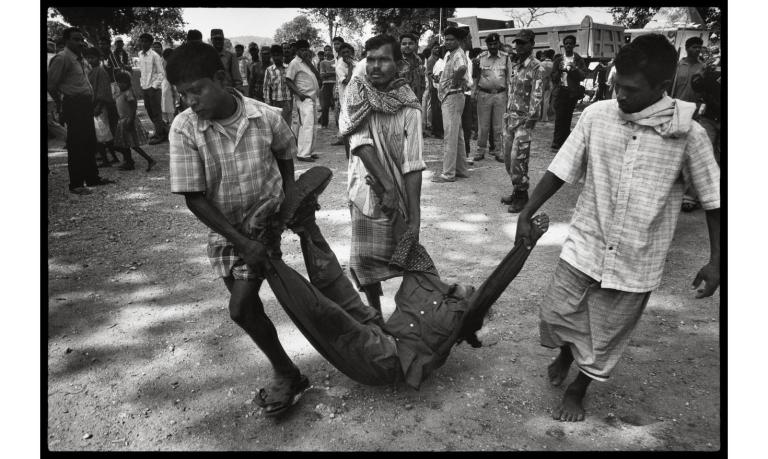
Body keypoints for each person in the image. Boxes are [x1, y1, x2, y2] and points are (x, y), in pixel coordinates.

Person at [514, 34, 720, 422]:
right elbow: (562, 168)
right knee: (557, 314)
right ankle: (566, 353)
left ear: (661, 86)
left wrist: (716, 261)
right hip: (586, 243)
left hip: (636, 258)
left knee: (605, 332)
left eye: (631, 89)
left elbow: (713, 200)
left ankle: (578, 389)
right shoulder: (597, 116)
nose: (620, 95)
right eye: (617, 86)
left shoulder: (689, 136)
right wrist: (527, 211)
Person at [167, 41, 314, 417]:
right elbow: (194, 198)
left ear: (220, 78)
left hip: (264, 224)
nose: (190, 101)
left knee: (239, 308)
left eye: (197, 90)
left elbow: (285, 157)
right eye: (183, 94)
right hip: (224, 231)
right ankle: (289, 373)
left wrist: (287, 206)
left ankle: (286, 372)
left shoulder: (265, 117)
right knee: (249, 310)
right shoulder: (185, 128)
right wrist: (240, 242)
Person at [337, 34, 425, 314]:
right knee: (363, 264)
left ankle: (411, 316)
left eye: (384, 60)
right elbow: (360, 143)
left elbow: (413, 163)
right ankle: (375, 313)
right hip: (365, 194)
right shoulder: (356, 93)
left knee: (411, 262)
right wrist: (386, 188)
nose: (375, 66)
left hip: (398, 198)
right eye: (371, 59)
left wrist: (415, 218)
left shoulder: (409, 106)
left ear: (399, 64)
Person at [47, 27, 115, 194]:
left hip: (85, 104)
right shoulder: (62, 58)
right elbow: (51, 84)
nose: (80, 42)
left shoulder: (80, 58)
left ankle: (92, 178)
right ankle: (76, 184)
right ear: (66, 41)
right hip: (73, 104)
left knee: (89, 142)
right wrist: (61, 103)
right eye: (75, 39)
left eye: (81, 39)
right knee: (76, 144)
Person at [499, 29, 543, 213]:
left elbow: (537, 95)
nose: (518, 46)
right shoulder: (516, 65)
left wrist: (530, 120)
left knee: (519, 160)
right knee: (508, 160)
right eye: (517, 42)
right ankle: (516, 190)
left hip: (523, 121)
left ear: (532, 44)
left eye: (523, 43)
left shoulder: (536, 67)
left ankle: (522, 196)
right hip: (510, 118)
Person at [432, 27, 471, 183]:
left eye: (451, 39)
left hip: (453, 97)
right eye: (446, 39)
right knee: (457, 135)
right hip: (453, 97)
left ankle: (448, 174)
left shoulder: (458, 54)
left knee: (450, 136)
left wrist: (454, 82)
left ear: (458, 41)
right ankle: (461, 170)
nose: (447, 42)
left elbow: (462, 68)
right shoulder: (454, 54)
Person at [472, 33, 508, 162]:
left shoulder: (506, 58)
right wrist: (474, 92)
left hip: (500, 95)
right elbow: (475, 77)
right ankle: (480, 151)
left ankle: (499, 151)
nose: (492, 46)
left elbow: (509, 77)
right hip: (484, 95)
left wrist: (509, 95)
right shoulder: (480, 58)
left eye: (495, 43)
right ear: (486, 45)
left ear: (499, 44)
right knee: (483, 126)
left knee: (499, 126)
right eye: (490, 44)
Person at [84, 47, 120, 167]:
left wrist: (99, 106)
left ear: (98, 58)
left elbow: (103, 91)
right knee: (103, 134)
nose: (90, 60)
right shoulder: (92, 71)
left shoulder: (100, 71)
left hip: (100, 106)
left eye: (92, 57)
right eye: (88, 58)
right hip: (95, 105)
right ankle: (113, 157)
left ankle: (106, 160)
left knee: (101, 135)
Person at [286, 39, 321, 162]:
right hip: (304, 98)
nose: (304, 52)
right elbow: (288, 80)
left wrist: (309, 63)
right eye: (302, 50)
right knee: (307, 125)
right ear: (297, 51)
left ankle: (310, 151)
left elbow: (317, 76)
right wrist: (299, 94)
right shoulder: (294, 63)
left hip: (312, 98)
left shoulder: (307, 62)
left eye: (306, 49)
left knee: (313, 125)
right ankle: (303, 154)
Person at [113, 72, 156, 172]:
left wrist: (131, 120)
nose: (120, 84)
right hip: (123, 120)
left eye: (122, 82)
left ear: (127, 83)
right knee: (125, 144)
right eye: (119, 82)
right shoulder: (121, 93)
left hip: (128, 120)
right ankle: (129, 162)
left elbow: (133, 107)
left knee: (132, 144)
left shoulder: (128, 93)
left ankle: (148, 160)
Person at [550, 35, 587, 151]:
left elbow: (582, 76)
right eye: (566, 43)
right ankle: (556, 143)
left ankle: (565, 142)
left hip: (572, 93)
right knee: (559, 118)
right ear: (563, 45)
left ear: (574, 45)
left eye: (571, 43)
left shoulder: (579, 60)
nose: (568, 45)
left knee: (568, 118)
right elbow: (553, 78)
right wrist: (559, 70)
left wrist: (574, 69)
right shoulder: (558, 60)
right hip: (561, 91)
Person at [137, 32, 168, 145]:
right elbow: (142, 72)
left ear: (150, 43)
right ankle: (163, 130)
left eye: (146, 41)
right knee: (149, 111)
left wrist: (154, 86)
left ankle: (160, 135)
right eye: (142, 41)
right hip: (145, 87)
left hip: (154, 88)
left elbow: (161, 73)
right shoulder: (140, 54)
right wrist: (142, 85)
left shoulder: (155, 56)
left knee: (156, 113)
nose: (143, 43)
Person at [333, 39, 355, 148]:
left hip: (356, 96)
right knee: (346, 120)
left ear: (352, 52)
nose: (346, 54)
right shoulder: (339, 66)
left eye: (348, 52)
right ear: (341, 54)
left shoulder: (356, 62)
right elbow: (346, 81)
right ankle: (345, 141)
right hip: (345, 97)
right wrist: (350, 68)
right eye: (344, 52)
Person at [263, 44, 292, 126]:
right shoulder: (269, 70)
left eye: (278, 55)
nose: (276, 58)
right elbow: (266, 88)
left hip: (287, 101)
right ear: (271, 56)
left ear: (282, 55)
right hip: (275, 102)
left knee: (287, 124)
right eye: (274, 56)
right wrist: (267, 103)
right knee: (277, 125)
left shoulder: (288, 68)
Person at [671, 37, 705, 103]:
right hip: (677, 103)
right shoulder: (678, 66)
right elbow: (670, 86)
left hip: (694, 105)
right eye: (694, 47)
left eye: (699, 47)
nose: (698, 49)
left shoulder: (703, 67)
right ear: (687, 49)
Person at [397, 33, 426, 107]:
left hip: (417, 101)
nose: (407, 46)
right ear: (400, 45)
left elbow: (422, 81)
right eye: (404, 44)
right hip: (401, 103)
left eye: (410, 43)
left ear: (415, 45)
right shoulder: (396, 61)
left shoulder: (419, 60)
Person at [426, 44, 443, 139]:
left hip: (438, 87)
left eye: (438, 48)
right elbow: (429, 73)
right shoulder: (431, 59)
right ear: (431, 49)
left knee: (438, 109)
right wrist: (435, 79)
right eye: (435, 48)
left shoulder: (438, 59)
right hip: (433, 87)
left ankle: (438, 130)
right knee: (435, 109)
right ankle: (436, 131)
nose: (437, 49)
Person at [318, 44, 336, 128]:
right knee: (325, 105)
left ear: (332, 51)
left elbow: (339, 73)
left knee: (337, 105)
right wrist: (334, 73)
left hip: (335, 84)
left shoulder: (336, 61)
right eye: (326, 50)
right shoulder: (322, 62)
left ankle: (339, 123)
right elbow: (322, 75)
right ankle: (324, 124)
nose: (327, 51)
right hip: (326, 85)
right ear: (324, 52)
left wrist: (327, 73)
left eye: (329, 50)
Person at [161, 48, 178, 126]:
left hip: (165, 85)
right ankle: (171, 122)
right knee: (170, 105)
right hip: (168, 85)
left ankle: (168, 122)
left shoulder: (164, 63)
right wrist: (173, 90)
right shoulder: (167, 64)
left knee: (166, 105)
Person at [539, 49, 555, 122]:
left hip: (540, 82)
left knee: (540, 100)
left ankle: (539, 116)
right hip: (549, 83)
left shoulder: (541, 63)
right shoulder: (553, 64)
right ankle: (544, 117)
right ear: (552, 56)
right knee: (546, 100)